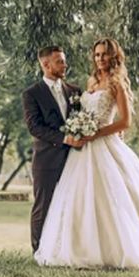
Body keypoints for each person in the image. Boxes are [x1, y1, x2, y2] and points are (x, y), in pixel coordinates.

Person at [34, 38, 139, 270]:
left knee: (114, 198)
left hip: (105, 145)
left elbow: (125, 121)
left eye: (104, 54)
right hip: (83, 150)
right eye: (97, 54)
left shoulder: (116, 84)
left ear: (114, 57)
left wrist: (96, 133)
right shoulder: (91, 82)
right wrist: (80, 130)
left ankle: (120, 250)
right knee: (81, 199)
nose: (100, 59)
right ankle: (83, 248)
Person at [22, 46, 83, 252]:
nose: (65, 64)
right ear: (46, 64)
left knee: (71, 205)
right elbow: (35, 127)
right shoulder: (32, 94)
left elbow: (86, 120)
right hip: (46, 161)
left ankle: (65, 250)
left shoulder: (75, 91)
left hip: (75, 160)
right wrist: (65, 139)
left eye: (64, 60)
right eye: (60, 61)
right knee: (43, 207)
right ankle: (39, 251)